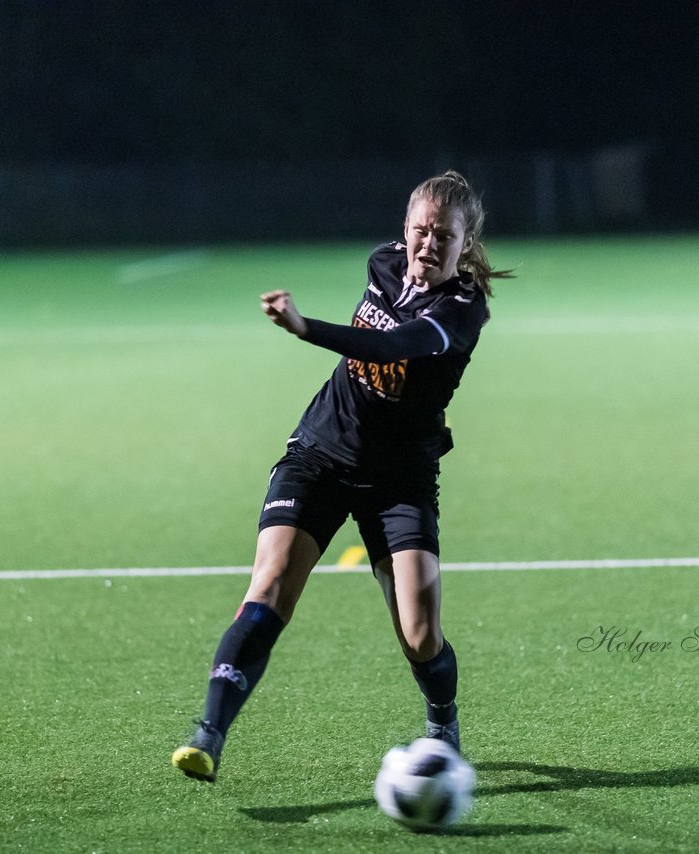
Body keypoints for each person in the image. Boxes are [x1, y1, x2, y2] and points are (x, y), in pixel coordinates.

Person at [171, 171, 510, 783]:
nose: (428, 244)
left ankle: (442, 721)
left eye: (444, 235)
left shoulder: (463, 310)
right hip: (321, 453)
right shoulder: (383, 263)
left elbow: (392, 347)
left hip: (399, 480)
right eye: (420, 230)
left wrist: (307, 328)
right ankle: (209, 733)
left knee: (420, 630)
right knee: (269, 584)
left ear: (465, 244)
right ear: (405, 230)